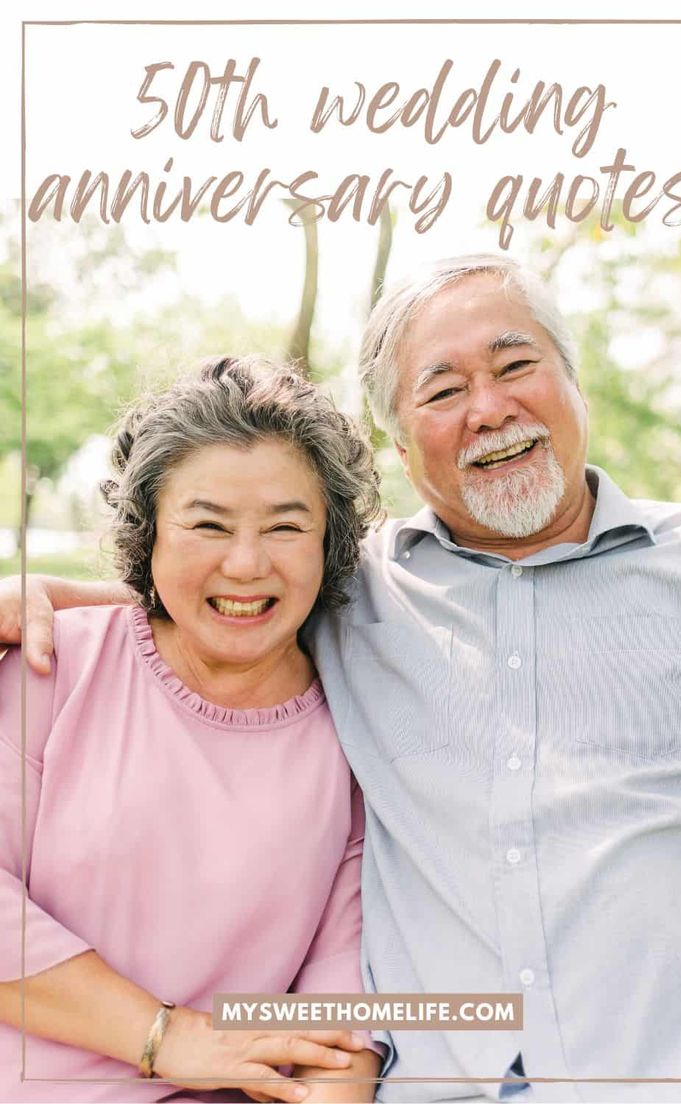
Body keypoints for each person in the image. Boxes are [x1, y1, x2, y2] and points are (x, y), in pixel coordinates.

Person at [3, 255, 681, 1103]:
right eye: (442, 390)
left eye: (514, 365)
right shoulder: (358, 593)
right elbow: (223, 596)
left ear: (574, 384)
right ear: (398, 439)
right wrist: (41, 596)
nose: (489, 409)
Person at [0, 355, 384, 1103]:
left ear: (330, 541)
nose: (245, 564)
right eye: (207, 525)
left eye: (286, 526)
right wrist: (164, 1036)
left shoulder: (356, 736)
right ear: (151, 533)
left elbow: (339, 1022)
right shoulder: (52, 664)